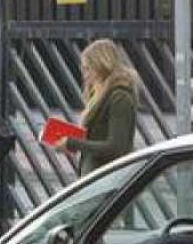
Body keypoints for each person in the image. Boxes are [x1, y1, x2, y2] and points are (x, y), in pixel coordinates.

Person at [57, 39, 140, 176]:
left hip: (109, 179)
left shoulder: (119, 97)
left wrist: (73, 143)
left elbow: (115, 147)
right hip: (95, 176)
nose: (85, 74)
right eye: (83, 69)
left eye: (88, 68)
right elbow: (96, 137)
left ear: (102, 66)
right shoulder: (98, 95)